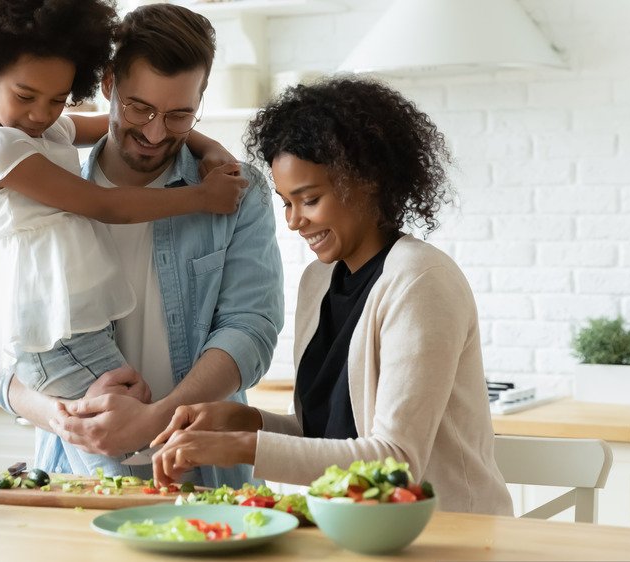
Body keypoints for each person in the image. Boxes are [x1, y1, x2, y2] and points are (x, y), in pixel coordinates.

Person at [148, 76, 514, 515]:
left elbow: (395, 461)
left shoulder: (420, 281)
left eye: (309, 199)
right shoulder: (318, 282)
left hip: (448, 535)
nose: (294, 221)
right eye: (286, 201)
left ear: (369, 182)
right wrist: (240, 420)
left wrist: (244, 448)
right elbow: (326, 435)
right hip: (354, 532)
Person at [0, 0, 250, 477]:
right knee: (120, 471)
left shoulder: (45, 133)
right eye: (26, 96)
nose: (41, 114)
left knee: (127, 462)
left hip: (82, 330)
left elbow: (249, 329)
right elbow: (104, 205)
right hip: (58, 335)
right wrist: (201, 198)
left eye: (56, 99)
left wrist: (208, 146)